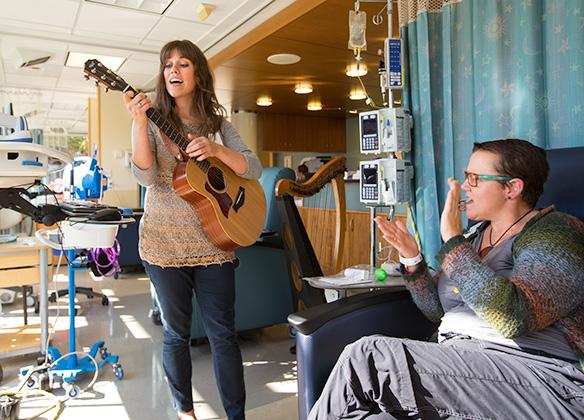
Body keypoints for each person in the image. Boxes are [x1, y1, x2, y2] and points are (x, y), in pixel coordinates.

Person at [309, 139, 584, 419]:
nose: (465, 187)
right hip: (464, 367)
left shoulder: (557, 232)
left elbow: (514, 316)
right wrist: (411, 257)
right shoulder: (474, 236)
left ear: (512, 188)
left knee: (368, 357)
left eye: (474, 179)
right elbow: (436, 311)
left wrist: (452, 241)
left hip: (540, 379)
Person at [124, 39, 262, 420]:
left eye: (183, 64)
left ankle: (237, 416)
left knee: (223, 335)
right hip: (164, 245)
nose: (173, 71)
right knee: (175, 334)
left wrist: (216, 151)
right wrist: (138, 123)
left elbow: (252, 168)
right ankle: (185, 412)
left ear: (198, 74)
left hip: (215, 243)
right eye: (168, 64)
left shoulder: (219, 125)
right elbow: (147, 176)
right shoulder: (151, 120)